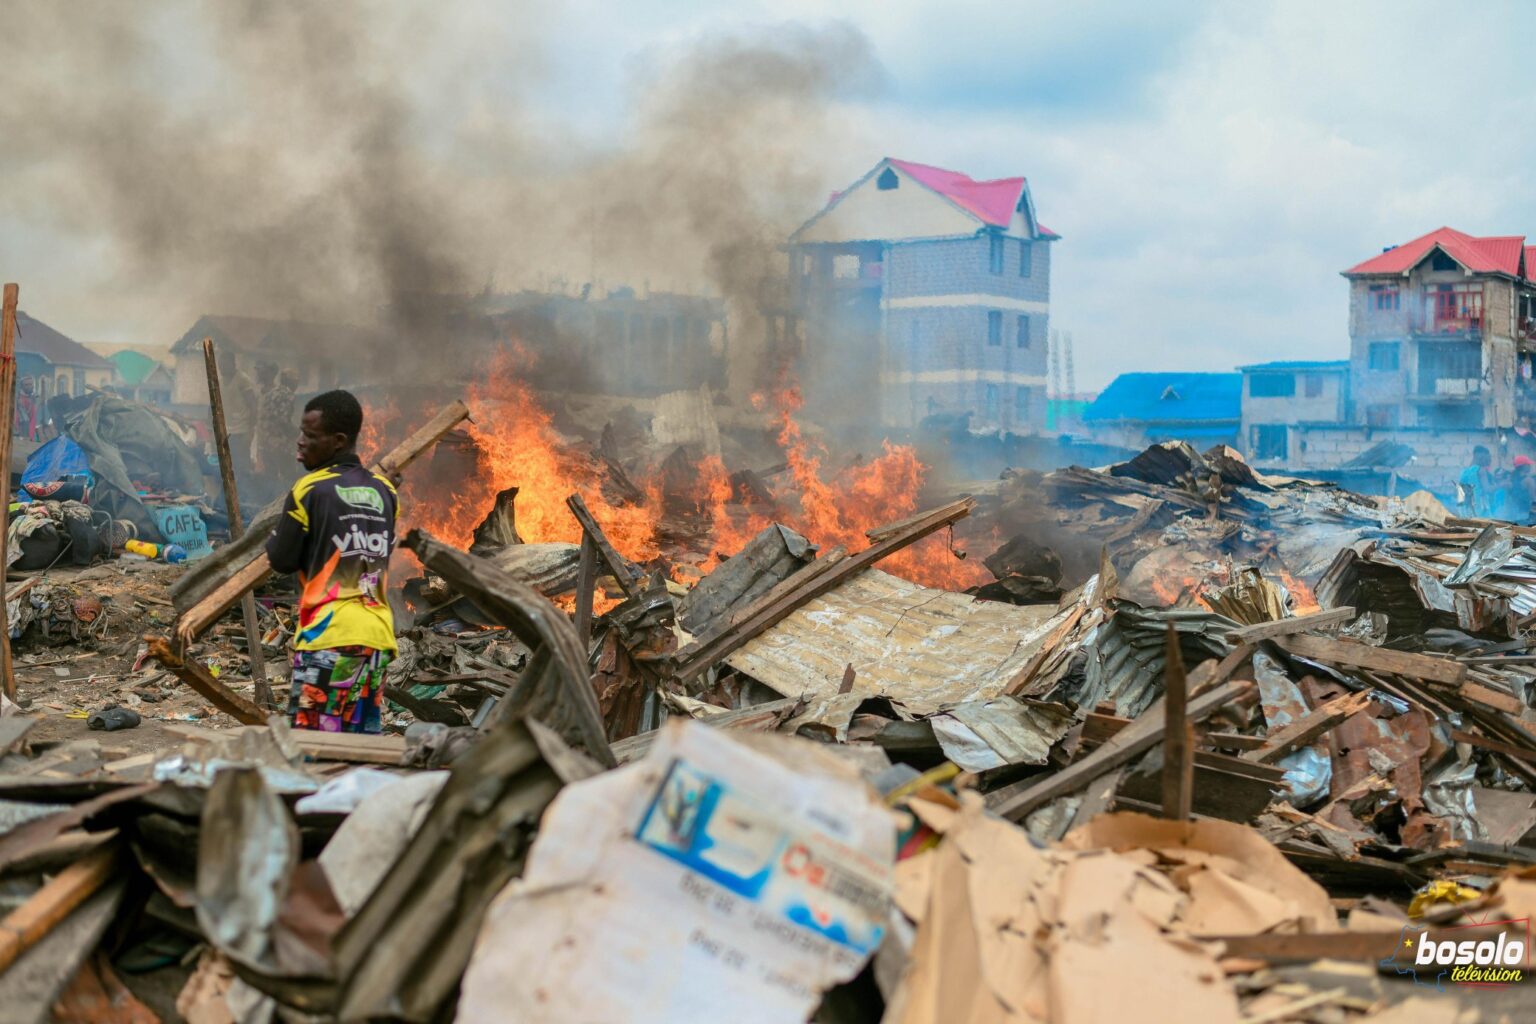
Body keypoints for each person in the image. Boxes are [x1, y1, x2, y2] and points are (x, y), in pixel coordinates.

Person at [265, 390, 398, 733]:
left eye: (310, 435)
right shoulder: (386, 492)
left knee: (312, 746)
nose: (300, 442)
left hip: (329, 636)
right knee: (359, 747)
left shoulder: (309, 489)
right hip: (376, 638)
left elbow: (281, 559)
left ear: (338, 441)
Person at [255, 366, 298, 498]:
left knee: (271, 477)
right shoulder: (287, 395)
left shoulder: (271, 393)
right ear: (291, 382)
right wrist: (296, 432)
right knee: (289, 475)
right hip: (280, 443)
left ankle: (269, 501)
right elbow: (283, 420)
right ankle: (287, 502)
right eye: (296, 381)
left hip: (265, 442)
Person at [223, 360, 262, 494]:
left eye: (224, 365)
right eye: (220, 366)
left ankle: (246, 494)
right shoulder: (222, 380)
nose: (222, 369)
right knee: (230, 465)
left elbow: (253, 405)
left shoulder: (242, 380)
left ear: (232, 364)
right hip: (228, 431)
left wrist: (250, 431)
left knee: (242, 465)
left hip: (241, 431)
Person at [1458, 445, 1494, 518]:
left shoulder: (1464, 472)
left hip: (1466, 510)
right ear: (1481, 457)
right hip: (1480, 509)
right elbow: (1487, 489)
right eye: (1486, 459)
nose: (1486, 462)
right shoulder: (1481, 470)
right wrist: (1502, 485)